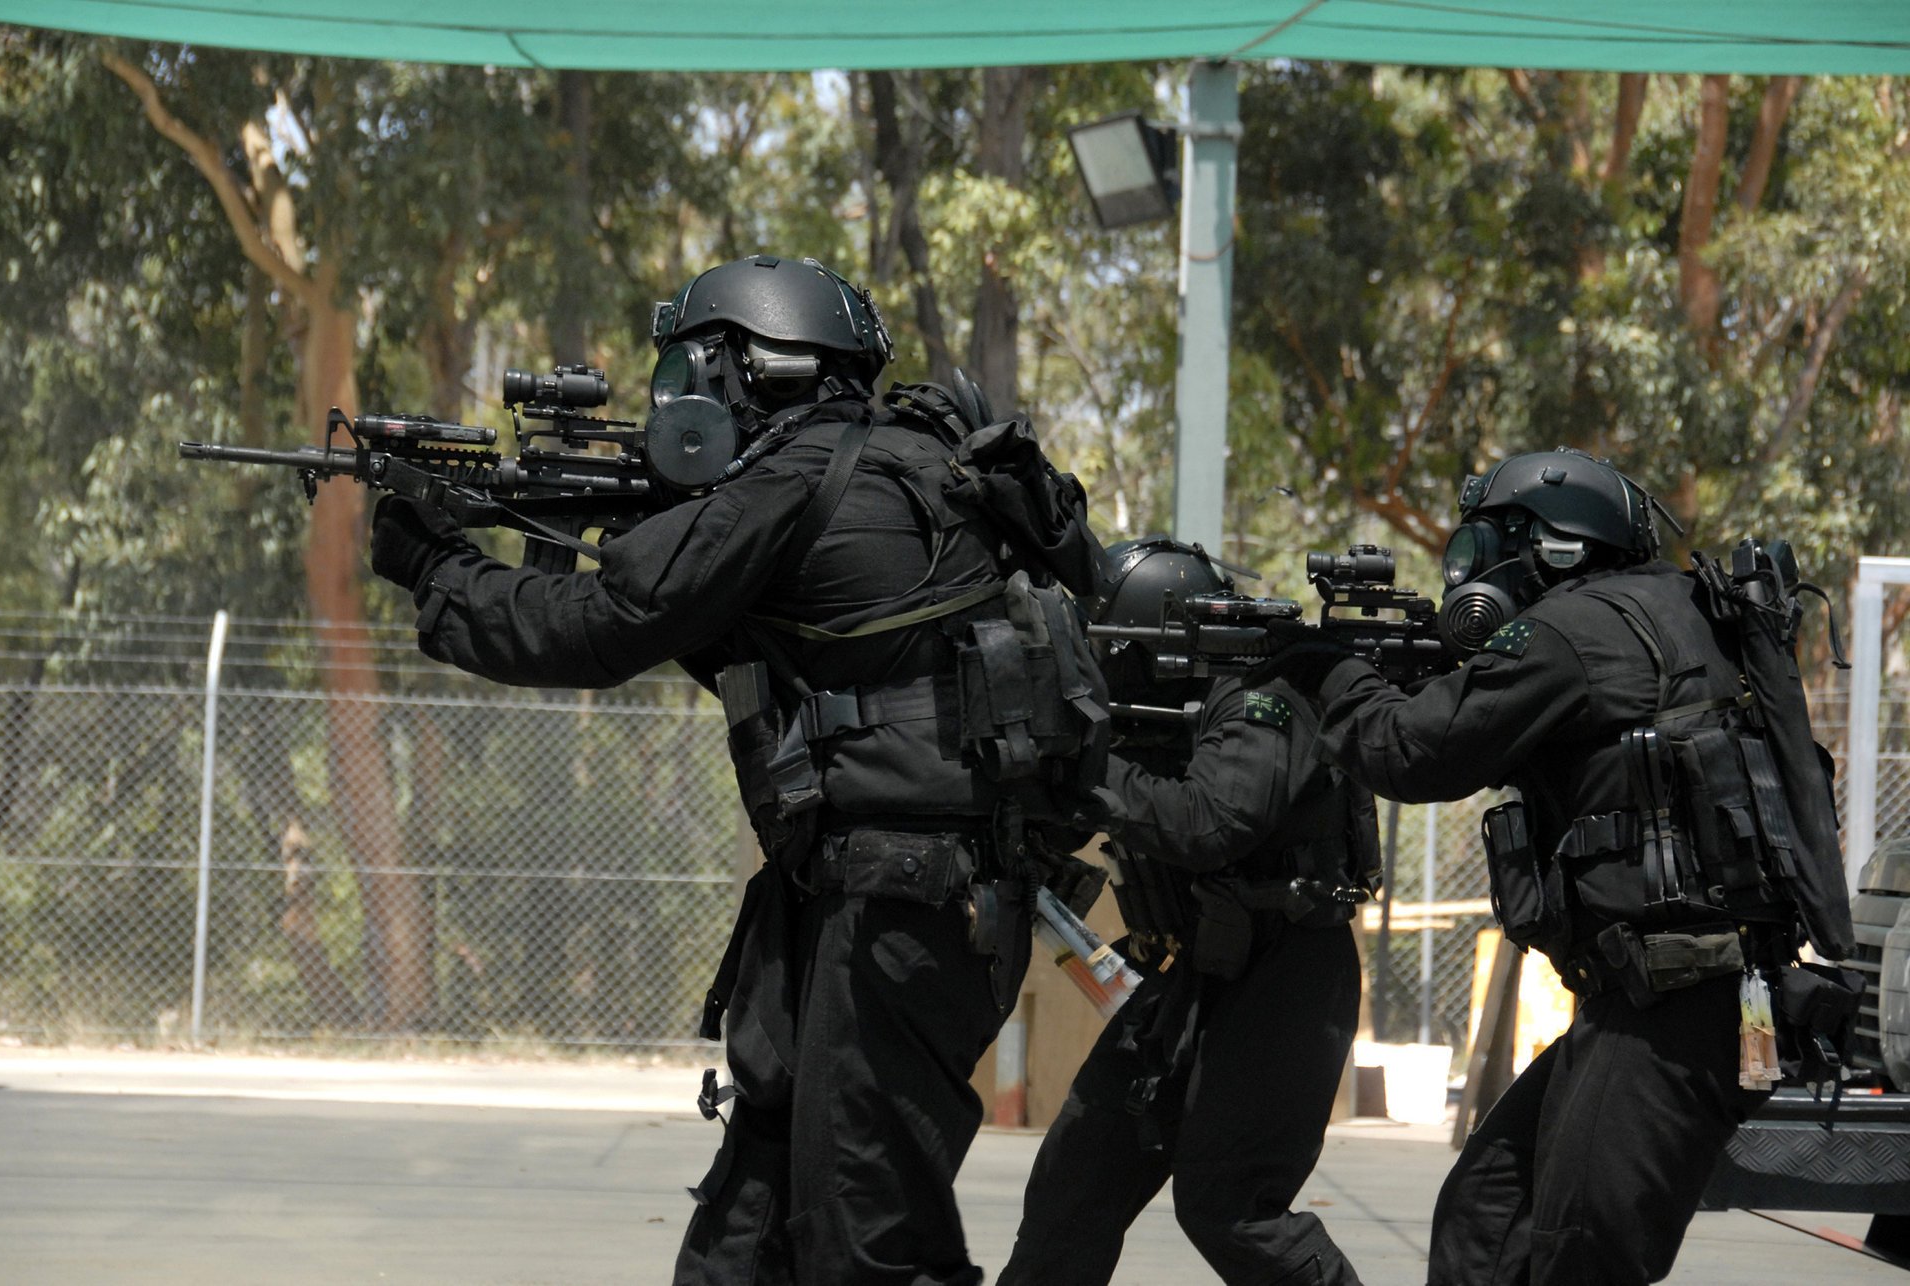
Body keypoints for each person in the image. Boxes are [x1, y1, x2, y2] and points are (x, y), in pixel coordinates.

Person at [366, 254, 1105, 1285]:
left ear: (744, 367)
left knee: (868, 1245)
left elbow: (608, 624)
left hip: (900, 906)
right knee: (749, 1231)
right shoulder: (914, 461)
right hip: (894, 900)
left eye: (690, 371)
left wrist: (438, 568)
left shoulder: (799, 479)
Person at [1296, 448, 1847, 1286]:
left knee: (1580, 1259)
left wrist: (1328, 669)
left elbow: (1410, 753)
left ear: (1553, 546)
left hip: (1673, 1009)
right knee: (1487, 1219)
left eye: (1487, 551)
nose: (1476, 579)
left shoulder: (1569, 633)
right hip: (1682, 1001)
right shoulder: (1678, 607)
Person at [998, 539, 1375, 1286]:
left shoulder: (1264, 695)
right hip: (1190, 972)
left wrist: (1089, 765)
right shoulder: (1158, 716)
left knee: (1232, 1207)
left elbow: (1211, 820)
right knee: (1074, 1186)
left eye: (1114, 649)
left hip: (1283, 975)